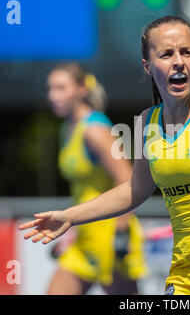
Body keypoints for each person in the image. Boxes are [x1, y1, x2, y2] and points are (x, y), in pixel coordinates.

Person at [20, 16, 190, 295]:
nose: (178, 61)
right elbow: (134, 190)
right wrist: (70, 216)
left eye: (187, 52)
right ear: (147, 66)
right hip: (187, 274)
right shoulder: (148, 123)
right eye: (166, 54)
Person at [43, 62, 148, 295]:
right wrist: (72, 232)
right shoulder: (68, 128)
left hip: (110, 238)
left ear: (82, 89)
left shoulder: (95, 130)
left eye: (60, 88)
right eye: (50, 89)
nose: (52, 96)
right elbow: (85, 191)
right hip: (84, 238)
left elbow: (128, 182)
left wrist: (121, 237)